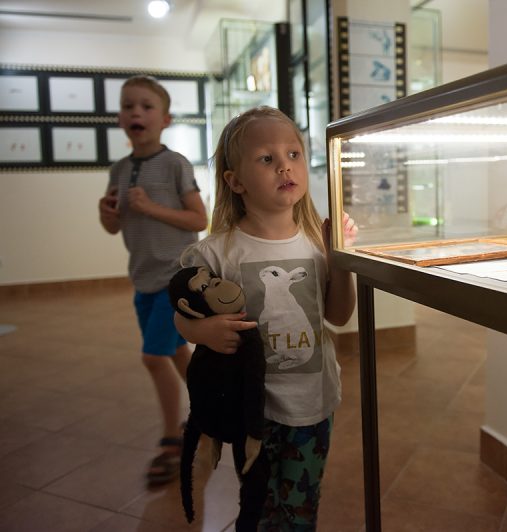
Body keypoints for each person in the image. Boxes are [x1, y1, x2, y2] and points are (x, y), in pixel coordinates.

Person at [175, 106, 357, 530]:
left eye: (293, 154)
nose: (284, 166)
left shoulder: (316, 243)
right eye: (266, 158)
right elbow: (181, 317)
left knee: (301, 507)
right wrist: (202, 330)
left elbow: (339, 315)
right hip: (253, 407)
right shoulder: (216, 252)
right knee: (259, 504)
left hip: (313, 401)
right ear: (235, 181)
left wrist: (341, 260)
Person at [98, 75, 208, 485]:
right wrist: (107, 215)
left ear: (165, 120)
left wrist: (151, 208)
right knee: (176, 351)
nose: (136, 112)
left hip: (175, 279)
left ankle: (171, 440)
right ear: (120, 119)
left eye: (146, 106)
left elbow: (198, 219)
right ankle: (210, 409)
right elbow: (114, 227)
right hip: (142, 279)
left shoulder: (175, 163)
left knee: (153, 357)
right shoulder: (119, 170)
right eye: (128, 106)